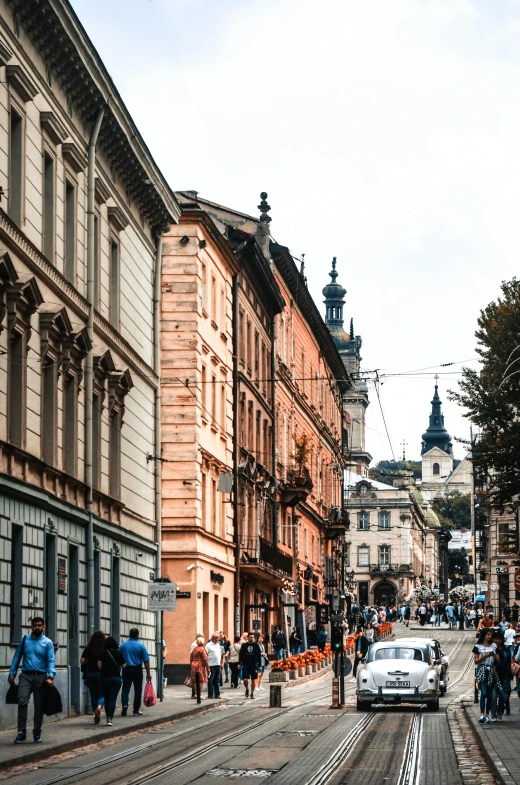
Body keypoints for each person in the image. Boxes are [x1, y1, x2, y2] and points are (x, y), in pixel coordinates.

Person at [8, 616, 56, 744]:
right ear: (32, 626)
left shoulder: (48, 643)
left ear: (43, 627)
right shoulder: (24, 640)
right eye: (35, 625)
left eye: (40, 625)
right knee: (22, 701)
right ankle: (21, 732)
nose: (37, 627)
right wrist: (11, 672)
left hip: (41, 676)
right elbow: (17, 656)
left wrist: (51, 676)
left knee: (39, 706)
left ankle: (37, 732)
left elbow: (51, 660)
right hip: (26, 675)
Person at [119, 628, 151, 717]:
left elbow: (117, 656)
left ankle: (124, 705)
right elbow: (146, 661)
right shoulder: (141, 646)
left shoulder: (123, 645)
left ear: (129, 634)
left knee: (125, 689)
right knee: (138, 690)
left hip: (126, 669)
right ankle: (136, 710)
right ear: (137, 635)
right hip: (137, 669)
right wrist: (148, 673)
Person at [473, 627, 499, 724]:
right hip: (482, 670)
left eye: (490, 635)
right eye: (488, 635)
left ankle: (487, 715)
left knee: (489, 694)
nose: (489, 636)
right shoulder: (478, 646)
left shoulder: (494, 646)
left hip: (491, 670)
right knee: (483, 693)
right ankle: (482, 714)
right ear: (483, 635)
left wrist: (494, 655)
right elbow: (476, 661)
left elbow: (498, 660)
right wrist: (485, 656)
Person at [98, 636, 126, 726]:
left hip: (104, 678)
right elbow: (124, 666)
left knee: (106, 698)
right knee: (112, 698)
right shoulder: (118, 653)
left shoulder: (103, 653)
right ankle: (110, 718)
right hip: (116, 678)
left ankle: (106, 715)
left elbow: (99, 666)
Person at [80, 630, 106, 723]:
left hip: (90, 674)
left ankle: (95, 712)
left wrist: (88, 661)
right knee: (102, 694)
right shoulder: (104, 648)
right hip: (101, 674)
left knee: (93, 694)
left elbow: (82, 660)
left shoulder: (89, 648)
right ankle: (99, 707)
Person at [492, 630, 512, 719]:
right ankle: (494, 714)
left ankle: (500, 708)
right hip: (493, 675)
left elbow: (508, 662)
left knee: (504, 695)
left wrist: (510, 672)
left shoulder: (506, 649)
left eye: (499, 639)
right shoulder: (492, 649)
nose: (497, 641)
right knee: (493, 695)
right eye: (495, 639)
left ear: (502, 640)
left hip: (504, 675)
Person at [239, 631, 262, 699]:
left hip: (254, 664)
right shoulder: (244, 645)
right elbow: (241, 655)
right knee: (245, 679)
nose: (251, 638)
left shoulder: (256, 645)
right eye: (250, 637)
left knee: (253, 680)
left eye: (252, 637)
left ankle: (252, 693)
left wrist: (259, 664)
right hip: (246, 664)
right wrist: (239, 663)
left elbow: (259, 655)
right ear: (247, 638)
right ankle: (247, 689)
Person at [190, 636, 209, 701]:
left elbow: (191, 657)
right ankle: (199, 695)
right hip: (200, 665)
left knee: (195, 680)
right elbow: (205, 659)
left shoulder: (194, 649)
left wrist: (191, 664)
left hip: (194, 664)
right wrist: (208, 668)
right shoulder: (202, 649)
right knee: (200, 680)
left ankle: (196, 694)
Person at [205, 632, 224, 699]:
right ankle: (210, 694)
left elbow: (221, 654)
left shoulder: (218, 645)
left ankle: (217, 694)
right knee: (210, 680)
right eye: (217, 638)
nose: (219, 639)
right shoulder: (208, 645)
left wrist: (221, 663)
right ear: (214, 638)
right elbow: (205, 655)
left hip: (217, 664)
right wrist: (207, 666)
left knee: (217, 680)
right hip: (211, 665)